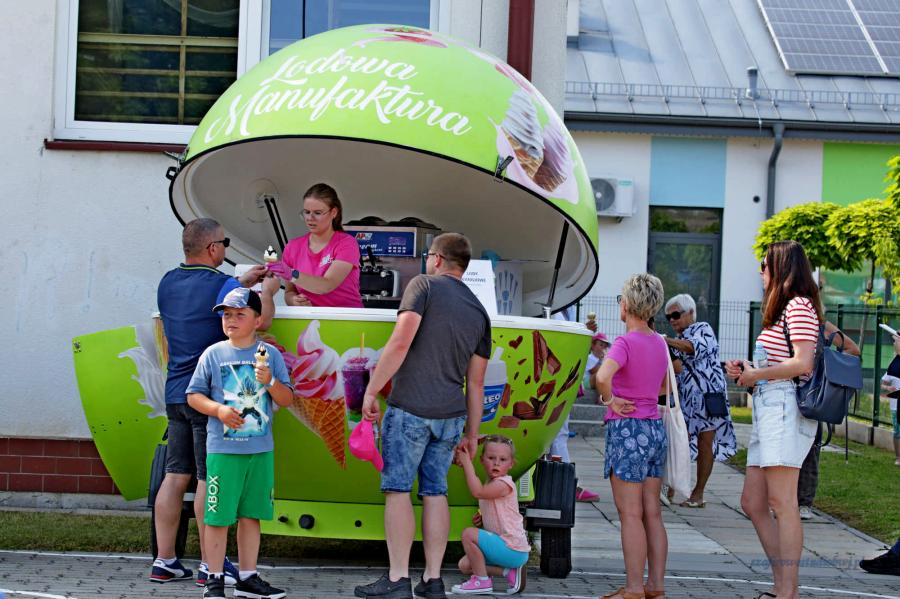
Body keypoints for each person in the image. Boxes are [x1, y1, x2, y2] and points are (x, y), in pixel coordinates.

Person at [354, 233, 491, 599]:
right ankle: (432, 580)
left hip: (411, 408)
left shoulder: (423, 286)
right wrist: (472, 434)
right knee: (435, 491)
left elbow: (401, 341)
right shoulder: (479, 311)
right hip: (451, 416)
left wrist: (371, 390)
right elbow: (476, 383)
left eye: (429, 256)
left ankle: (398, 578)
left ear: (437, 259)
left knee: (398, 490)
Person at [152, 218, 277, 586]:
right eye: (224, 243)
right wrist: (267, 291)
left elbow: (200, 304)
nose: (226, 248)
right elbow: (262, 321)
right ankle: (211, 565)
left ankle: (165, 560)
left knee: (175, 475)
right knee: (209, 478)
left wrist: (240, 284)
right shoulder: (222, 285)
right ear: (212, 249)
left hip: (176, 392)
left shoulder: (167, 282)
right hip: (209, 397)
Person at [725, 240, 822, 599]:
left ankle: (787, 591)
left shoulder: (798, 306)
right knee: (753, 502)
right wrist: (749, 371)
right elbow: (782, 363)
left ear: (781, 267)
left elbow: (802, 363)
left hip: (783, 407)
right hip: (770, 405)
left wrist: (758, 374)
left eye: (764, 265)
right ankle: (783, 585)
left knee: (783, 502)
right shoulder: (783, 309)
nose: (761, 272)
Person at [186, 287, 294, 599]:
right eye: (227, 315)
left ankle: (248, 578)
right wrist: (218, 410)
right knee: (218, 516)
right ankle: (214, 579)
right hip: (224, 451)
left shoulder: (270, 355)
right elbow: (193, 395)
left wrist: (269, 381)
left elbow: (286, 399)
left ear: (258, 320)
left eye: (239, 314)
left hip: (259, 450)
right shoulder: (213, 354)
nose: (231, 320)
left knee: (251, 514)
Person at [594, 274, 669, 599]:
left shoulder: (624, 343)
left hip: (628, 431)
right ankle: (655, 586)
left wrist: (610, 400)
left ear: (626, 305)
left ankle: (634, 587)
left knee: (630, 514)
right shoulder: (659, 342)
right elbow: (665, 385)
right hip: (654, 429)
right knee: (652, 511)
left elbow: (602, 376)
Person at [663, 293, 736, 508]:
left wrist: (664, 340)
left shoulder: (702, 329)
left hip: (707, 398)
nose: (672, 320)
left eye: (676, 315)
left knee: (705, 443)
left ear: (690, 313)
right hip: (686, 400)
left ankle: (698, 493)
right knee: (678, 441)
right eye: (669, 317)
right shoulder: (677, 338)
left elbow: (693, 347)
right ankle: (670, 487)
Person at [450, 435, 529, 595]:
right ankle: (509, 573)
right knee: (465, 565)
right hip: (503, 547)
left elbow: (477, 492)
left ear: (511, 464)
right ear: (482, 460)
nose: (496, 463)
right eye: (491, 458)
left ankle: (482, 581)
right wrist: (482, 519)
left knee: (468, 534)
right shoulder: (490, 483)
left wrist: (466, 462)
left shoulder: (504, 484)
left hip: (512, 548)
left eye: (503, 459)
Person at [797, 321, 860, 520]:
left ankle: (803, 502)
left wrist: (828, 366)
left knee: (810, 447)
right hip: (793, 391)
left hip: (810, 394)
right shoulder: (789, 321)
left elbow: (852, 349)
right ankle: (791, 501)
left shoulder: (820, 325)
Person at [279, 183, 363, 307]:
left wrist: (290, 273)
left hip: (346, 315)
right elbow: (289, 292)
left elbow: (327, 285)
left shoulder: (347, 243)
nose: (310, 218)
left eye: (317, 213)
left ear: (334, 212)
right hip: (309, 316)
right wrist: (293, 300)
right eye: (307, 212)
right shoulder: (292, 247)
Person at [880, 332, 900, 467]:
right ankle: (898, 457)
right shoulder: (892, 369)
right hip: (895, 406)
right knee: (898, 432)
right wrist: (888, 388)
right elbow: (882, 384)